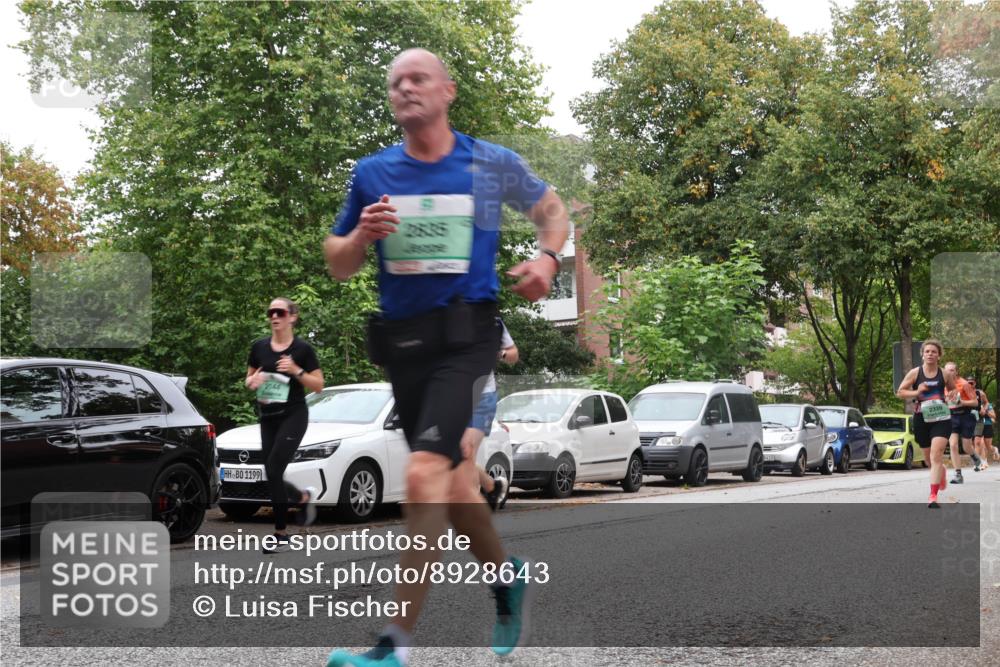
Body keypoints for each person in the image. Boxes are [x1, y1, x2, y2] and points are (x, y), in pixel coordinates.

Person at [323, 48, 569, 667]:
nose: (405, 88)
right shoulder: (373, 174)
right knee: (457, 487)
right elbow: (337, 263)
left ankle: (393, 647)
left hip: (468, 338)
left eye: (418, 78)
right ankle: (506, 579)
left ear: (447, 91)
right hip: (406, 348)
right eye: (395, 82)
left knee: (424, 475)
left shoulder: (489, 164)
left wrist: (545, 259)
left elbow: (552, 212)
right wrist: (360, 237)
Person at [245, 297, 324, 553]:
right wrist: (252, 383)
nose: (274, 316)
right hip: (268, 416)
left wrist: (296, 370)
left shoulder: (302, 349)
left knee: (275, 466)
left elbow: (318, 385)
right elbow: (249, 379)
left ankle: (280, 533)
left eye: (279, 312)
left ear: (292, 317)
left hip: (293, 415)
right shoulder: (259, 348)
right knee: (271, 471)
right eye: (270, 312)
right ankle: (301, 498)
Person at [461, 317, 518, 511]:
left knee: (466, 451)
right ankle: (492, 486)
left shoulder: (493, 323)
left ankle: (471, 510)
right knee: (455, 457)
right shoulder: (440, 315)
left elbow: (513, 354)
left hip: (482, 396)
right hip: (451, 398)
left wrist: (500, 353)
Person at [896, 339, 951, 508]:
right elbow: (900, 392)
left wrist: (951, 396)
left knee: (936, 455)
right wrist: (917, 391)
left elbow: (954, 388)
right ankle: (940, 472)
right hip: (922, 418)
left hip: (941, 418)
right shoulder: (915, 373)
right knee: (929, 459)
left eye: (934, 352)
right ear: (923, 355)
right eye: (927, 351)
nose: (930, 354)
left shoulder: (945, 374)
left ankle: (933, 496)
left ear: (939, 356)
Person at [942, 362, 980, 484]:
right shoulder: (943, 385)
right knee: (952, 445)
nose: (949, 372)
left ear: (956, 372)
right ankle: (958, 475)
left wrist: (962, 402)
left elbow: (975, 403)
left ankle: (974, 456)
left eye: (952, 370)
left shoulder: (964, 384)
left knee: (966, 446)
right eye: (947, 370)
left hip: (966, 416)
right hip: (952, 416)